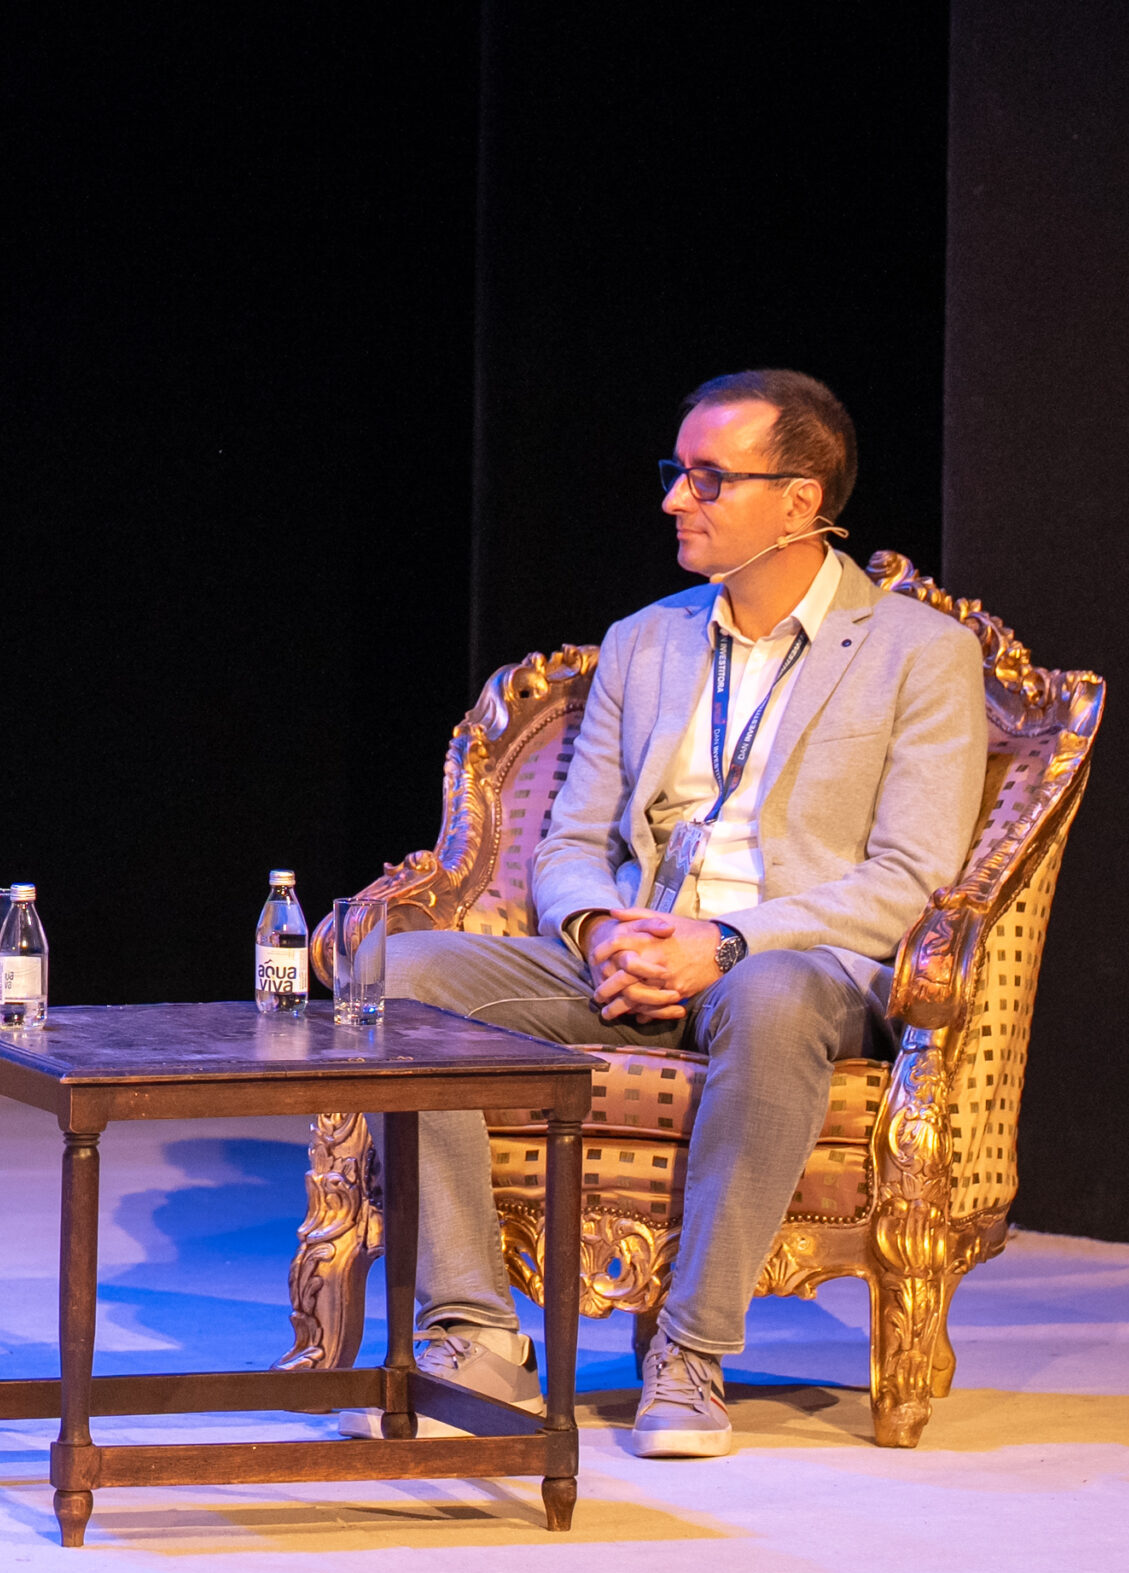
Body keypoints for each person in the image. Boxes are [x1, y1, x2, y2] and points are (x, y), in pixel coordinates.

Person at [383, 369, 985, 1457]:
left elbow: (908, 876)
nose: (674, 499)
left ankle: (691, 1354)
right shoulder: (645, 640)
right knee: (402, 973)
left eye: (707, 478)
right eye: (677, 472)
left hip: (796, 963)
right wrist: (602, 931)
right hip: (638, 947)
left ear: (799, 500)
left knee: (770, 992)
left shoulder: (918, 652)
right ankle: (474, 1328)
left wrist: (729, 941)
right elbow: (571, 841)